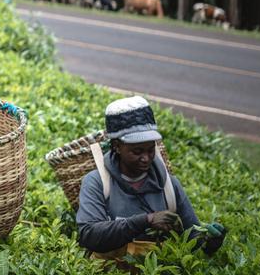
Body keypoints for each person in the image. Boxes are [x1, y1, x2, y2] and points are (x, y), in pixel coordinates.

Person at [77, 96, 227, 262]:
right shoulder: (97, 182)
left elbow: (192, 237)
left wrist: (210, 241)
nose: (146, 158)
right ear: (117, 147)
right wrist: (146, 220)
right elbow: (89, 235)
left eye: (150, 150)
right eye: (137, 151)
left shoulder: (169, 185)